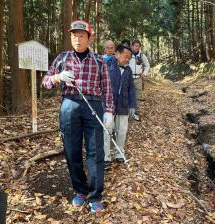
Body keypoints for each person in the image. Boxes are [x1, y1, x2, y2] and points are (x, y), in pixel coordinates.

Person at [42, 20, 114, 215]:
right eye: (74, 35)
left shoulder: (99, 61)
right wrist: (58, 77)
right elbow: (45, 81)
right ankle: (80, 191)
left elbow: (107, 89)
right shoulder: (62, 58)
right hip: (69, 105)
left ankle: (95, 195)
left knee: (95, 152)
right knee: (72, 150)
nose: (77, 39)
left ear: (89, 38)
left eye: (82, 35)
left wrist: (109, 112)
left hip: (94, 105)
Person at [104, 44, 136, 170]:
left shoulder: (128, 71)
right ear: (117, 54)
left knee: (122, 131)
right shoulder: (108, 65)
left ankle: (119, 154)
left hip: (123, 105)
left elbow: (131, 89)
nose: (127, 59)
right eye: (125, 56)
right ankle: (106, 157)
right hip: (108, 105)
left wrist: (133, 105)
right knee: (106, 130)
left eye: (129, 58)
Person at [129, 39, 150, 121]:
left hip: (138, 78)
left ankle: (135, 112)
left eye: (138, 46)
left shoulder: (142, 56)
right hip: (129, 78)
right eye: (135, 46)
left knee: (137, 96)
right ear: (132, 46)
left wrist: (144, 73)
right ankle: (127, 112)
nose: (137, 47)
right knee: (128, 95)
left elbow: (147, 65)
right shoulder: (129, 54)